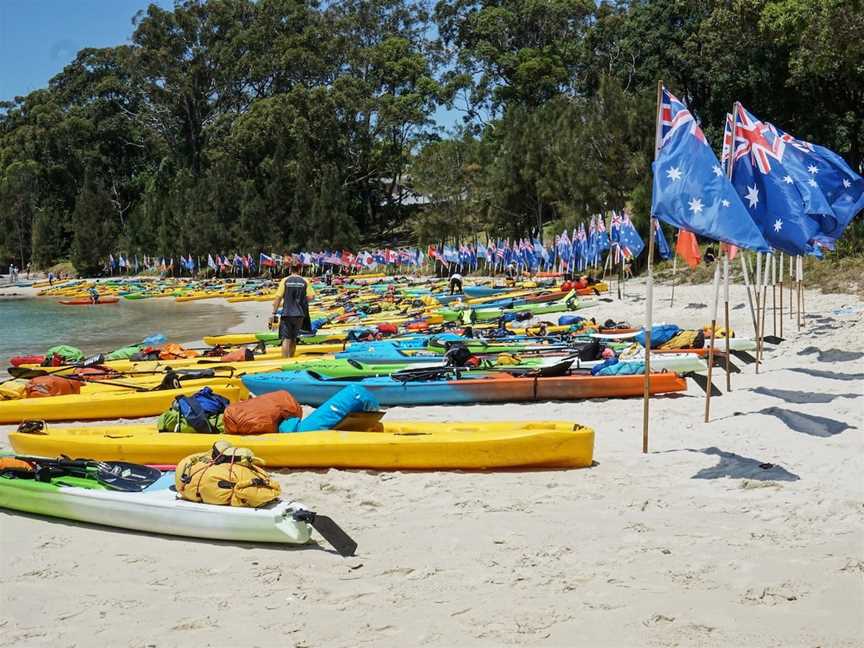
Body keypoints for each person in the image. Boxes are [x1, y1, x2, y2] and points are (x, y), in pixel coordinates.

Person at [271, 272, 315, 358]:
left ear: (291, 271)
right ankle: (291, 358)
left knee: (286, 339)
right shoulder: (305, 280)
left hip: (287, 313)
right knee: (294, 338)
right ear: (299, 271)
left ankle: (285, 360)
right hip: (300, 314)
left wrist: (274, 313)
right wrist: (301, 301)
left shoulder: (285, 280)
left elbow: (278, 298)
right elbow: (311, 297)